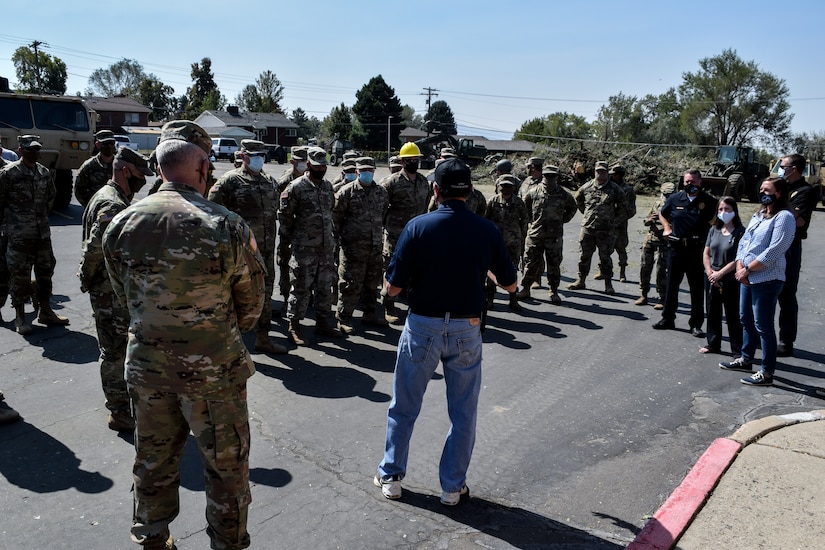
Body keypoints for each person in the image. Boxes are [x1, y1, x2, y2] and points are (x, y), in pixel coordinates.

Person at [102, 120, 264, 550]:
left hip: (148, 367)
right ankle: (226, 542)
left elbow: (123, 298)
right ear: (204, 167)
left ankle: (153, 537)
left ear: (157, 167)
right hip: (214, 374)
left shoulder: (120, 223)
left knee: (152, 459)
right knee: (226, 466)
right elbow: (250, 307)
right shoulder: (227, 225)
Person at [374, 157, 517, 506]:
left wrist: (387, 286)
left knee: (404, 405)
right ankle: (452, 486)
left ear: (435, 190)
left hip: (423, 324)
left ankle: (392, 475)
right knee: (463, 412)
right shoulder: (487, 230)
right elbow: (511, 284)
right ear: (469, 192)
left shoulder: (418, 227)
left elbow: (393, 288)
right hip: (467, 327)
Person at [78, 147, 153, 432]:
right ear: (125, 171)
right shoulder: (113, 205)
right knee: (114, 352)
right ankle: (119, 411)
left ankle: (122, 405)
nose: (142, 181)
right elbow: (96, 247)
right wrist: (86, 277)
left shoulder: (106, 195)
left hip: (107, 288)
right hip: (109, 290)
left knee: (115, 349)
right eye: (138, 175)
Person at [209, 139, 288, 355]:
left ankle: (263, 337)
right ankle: (234, 344)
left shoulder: (270, 181)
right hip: (240, 253)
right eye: (254, 155)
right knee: (236, 296)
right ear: (243, 156)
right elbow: (212, 216)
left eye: (261, 155)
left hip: (266, 252)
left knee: (264, 293)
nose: (259, 159)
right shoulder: (229, 182)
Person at [719, 177, 796, 386]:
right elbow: (744, 242)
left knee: (763, 325)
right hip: (746, 275)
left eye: (767, 189)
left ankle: (767, 372)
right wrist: (739, 266)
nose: (763, 192)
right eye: (761, 188)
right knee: (745, 319)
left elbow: (775, 250)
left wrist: (747, 269)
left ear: (779, 193)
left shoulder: (784, 217)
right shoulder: (759, 215)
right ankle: (745, 359)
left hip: (767, 278)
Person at [0, 135, 70, 334]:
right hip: (18, 235)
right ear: (20, 150)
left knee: (45, 273)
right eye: (30, 149)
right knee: (19, 276)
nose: (34, 153)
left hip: (42, 234)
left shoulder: (44, 173)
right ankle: (20, 316)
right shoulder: (8, 174)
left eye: (37, 149)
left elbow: (50, 198)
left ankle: (46, 311)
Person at [279, 146, 343, 344]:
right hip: (304, 248)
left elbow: (331, 211)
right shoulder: (296, 187)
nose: (321, 169)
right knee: (300, 288)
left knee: (324, 286)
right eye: (317, 166)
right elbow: (285, 217)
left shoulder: (327, 187)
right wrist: (292, 241)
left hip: (325, 248)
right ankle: (294, 326)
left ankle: (323, 322)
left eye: (324, 165)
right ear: (308, 165)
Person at [652, 169, 716, 334]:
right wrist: (667, 228)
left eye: (693, 182)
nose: (690, 185)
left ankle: (695, 324)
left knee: (696, 289)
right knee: (672, 286)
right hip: (677, 248)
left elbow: (717, 221)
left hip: (697, 250)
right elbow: (662, 214)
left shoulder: (709, 201)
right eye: (687, 182)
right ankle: (667, 318)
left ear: (700, 183)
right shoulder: (675, 198)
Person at [332, 156, 389, 333]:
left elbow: (384, 214)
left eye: (369, 171)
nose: (367, 174)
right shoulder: (345, 192)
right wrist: (343, 241)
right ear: (357, 171)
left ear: (374, 171)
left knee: (372, 283)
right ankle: (344, 318)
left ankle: (370, 313)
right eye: (363, 171)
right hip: (353, 248)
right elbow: (336, 220)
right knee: (350, 283)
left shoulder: (381, 192)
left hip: (374, 247)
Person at [380, 142, 432, 324]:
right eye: (410, 160)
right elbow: (381, 208)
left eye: (416, 159)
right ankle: (388, 307)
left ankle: (413, 306)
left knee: (415, 272)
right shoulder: (391, 182)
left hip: (417, 236)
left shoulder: (424, 181)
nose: (413, 162)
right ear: (402, 161)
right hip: (396, 235)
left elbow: (426, 206)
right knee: (392, 272)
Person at [776, 154, 818, 357]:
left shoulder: (806, 191)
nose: (780, 169)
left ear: (793, 168)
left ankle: (785, 341)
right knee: (762, 292)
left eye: (783, 166)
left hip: (790, 246)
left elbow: (793, 217)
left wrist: (784, 210)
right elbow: (787, 215)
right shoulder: (781, 187)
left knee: (786, 294)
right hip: (771, 243)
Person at [516, 165, 577, 304]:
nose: (550, 179)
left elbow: (573, 208)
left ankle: (553, 291)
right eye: (547, 176)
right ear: (543, 176)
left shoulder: (563, 194)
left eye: (552, 176)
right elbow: (525, 209)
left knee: (554, 265)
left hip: (554, 237)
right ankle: (525, 288)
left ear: (556, 177)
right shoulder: (533, 192)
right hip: (535, 235)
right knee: (530, 263)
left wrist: (562, 220)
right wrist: (532, 222)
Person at [568, 161, 625, 295]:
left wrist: (614, 221)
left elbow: (623, 207)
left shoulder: (615, 188)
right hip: (588, 228)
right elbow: (579, 202)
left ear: (607, 172)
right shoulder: (586, 187)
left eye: (603, 171)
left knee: (605, 258)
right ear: (594, 172)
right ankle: (581, 280)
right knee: (584, 257)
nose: (601, 173)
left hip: (606, 230)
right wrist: (588, 215)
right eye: (598, 171)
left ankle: (608, 284)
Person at [700, 196, 745, 355]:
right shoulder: (714, 229)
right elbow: (706, 253)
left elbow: (738, 258)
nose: (723, 212)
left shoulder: (740, 232)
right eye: (720, 209)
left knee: (733, 314)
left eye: (727, 209)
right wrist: (710, 272)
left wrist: (720, 274)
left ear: (734, 211)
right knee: (712, 311)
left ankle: (738, 350)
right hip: (712, 276)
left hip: (729, 278)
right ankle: (713, 344)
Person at [484, 174, 527, 311]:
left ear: (513, 187)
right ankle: (490, 300)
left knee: (512, 272)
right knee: (491, 272)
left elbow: (524, 221)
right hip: (495, 244)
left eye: (508, 186)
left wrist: (522, 239)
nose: (505, 189)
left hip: (513, 244)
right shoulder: (493, 201)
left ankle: (513, 300)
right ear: (498, 187)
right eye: (503, 186)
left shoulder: (519, 203)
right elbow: (486, 220)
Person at [276, 146, 309, 313]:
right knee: (286, 264)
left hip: (307, 234)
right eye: (301, 161)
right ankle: (285, 297)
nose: (304, 164)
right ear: (292, 162)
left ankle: (305, 298)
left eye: (306, 161)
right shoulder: (285, 182)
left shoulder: (311, 179)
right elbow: (278, 209)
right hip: (288, 233)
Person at [636, 182, 675, 309]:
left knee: (661, 270)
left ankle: (662, 297)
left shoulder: (676, 206)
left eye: (670, 194)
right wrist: (650, 220)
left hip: (664, 242)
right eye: (665, 194)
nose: (667, 197)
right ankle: (644, 294)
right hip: (650, 239)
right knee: (644, 267)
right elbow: (646, 221)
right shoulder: (657, 204)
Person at [598, 164, 636, 282]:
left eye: (613, 175)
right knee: (604, 249)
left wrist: (620, 219)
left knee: (621, 248)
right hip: (606, 224)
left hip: (620, 225)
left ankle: (622, 273)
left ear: (618, 175)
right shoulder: (606, 187)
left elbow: (631, 210)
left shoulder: (628, 190)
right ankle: (602, 271)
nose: (611, 177)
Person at [75, 130, 118, 207]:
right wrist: (90, 206)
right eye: (105, 144)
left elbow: (129, 189)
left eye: (112, 143)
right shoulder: (89, 166)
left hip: (117, 209)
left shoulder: (120, 165)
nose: (109, 146)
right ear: (98, 145)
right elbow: (79, 190)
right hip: (95, 207)